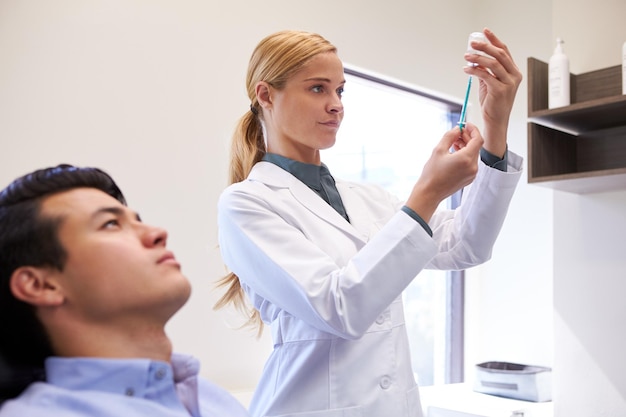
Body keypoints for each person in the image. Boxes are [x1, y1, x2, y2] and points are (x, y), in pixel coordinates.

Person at [215, 29, 523, 417]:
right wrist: (427, 193)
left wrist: (496, 126)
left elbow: (467, 244)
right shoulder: (247, 204)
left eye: (340, 91)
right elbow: (339, 307)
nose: (335, 105)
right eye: (317, 89)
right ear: (266, 95)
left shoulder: (366, 198)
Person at [0, 164, 249, 417]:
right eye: (110, 224)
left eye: (137, 220)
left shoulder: (211, 399)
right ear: (40, 285)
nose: (158, 233)